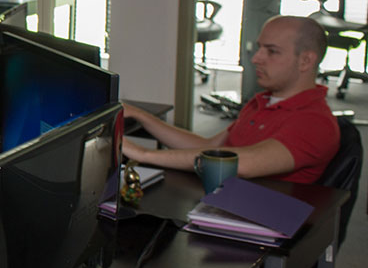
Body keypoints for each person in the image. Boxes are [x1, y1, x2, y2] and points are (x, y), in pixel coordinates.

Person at [123, 14, 338, 184]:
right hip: (220, 201)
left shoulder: (316, 122)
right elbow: (208, 146)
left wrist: (142, 154)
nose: (256, 59)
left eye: (272, 52)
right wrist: (141, 116)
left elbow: (241, 164)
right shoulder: (263, 102)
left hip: (255, 224)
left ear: (306, 61)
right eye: (259, 48)